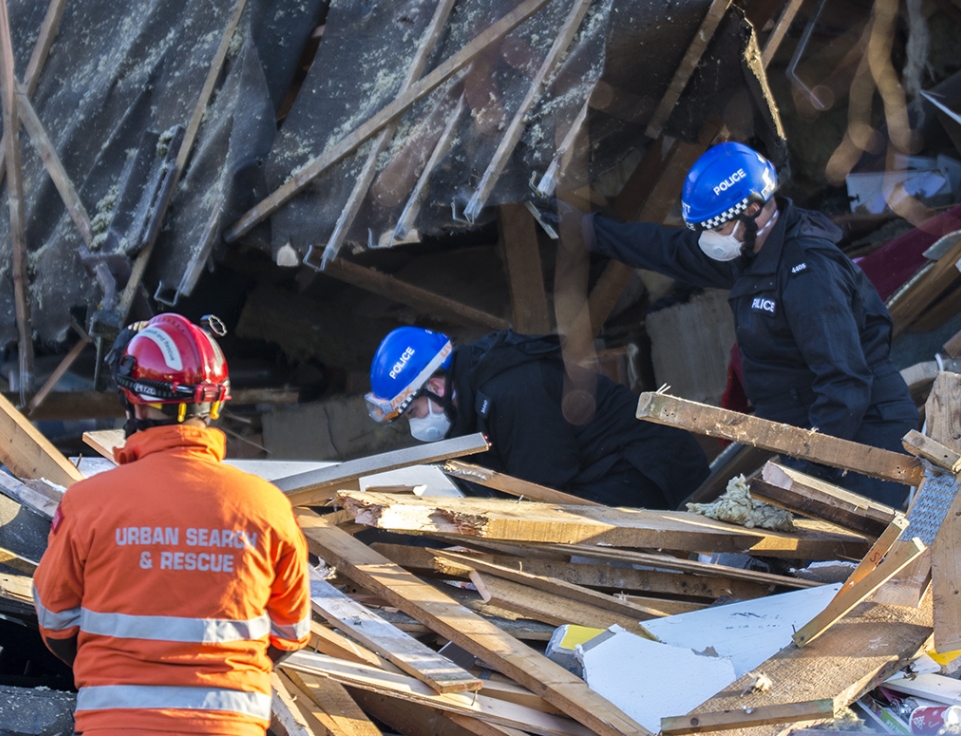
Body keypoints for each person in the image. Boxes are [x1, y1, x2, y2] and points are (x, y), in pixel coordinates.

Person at [580, 141, 919, 508]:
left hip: (864, 445)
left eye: (717, 226)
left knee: (862, 559)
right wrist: (588, 231)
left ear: (753, 209)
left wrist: (814, 467)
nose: (709, 240)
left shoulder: (808, 273)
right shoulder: (750, 250)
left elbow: (845, 381)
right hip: (814, 440)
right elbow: (670, 248)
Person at [32, 313, 311, 736]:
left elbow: (55, 622)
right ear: (217, 403)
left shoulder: (88, 505)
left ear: (135, 401)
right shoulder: (267, 507)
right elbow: (291, 631)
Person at [365, 326, 710, 509]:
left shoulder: (510, 390)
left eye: (414, 411)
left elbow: (543, 491)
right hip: (601, 472)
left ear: (436, 386)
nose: (417, 424)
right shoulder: (471, 400)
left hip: (648, 471)